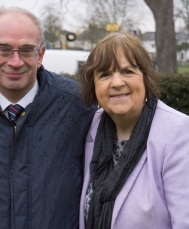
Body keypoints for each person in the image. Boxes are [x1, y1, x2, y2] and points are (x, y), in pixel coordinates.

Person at [0, 7, 96, 229]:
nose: (16, 61)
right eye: (4, 49)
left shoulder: (79, 106)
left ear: (40, 55)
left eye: (27, 50)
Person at [78, 31, 189, 229]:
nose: (117, 82)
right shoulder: (92, 125)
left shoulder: (178, 132)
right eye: (105, 74)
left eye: (128, 71)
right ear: (93, 85)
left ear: (145, 77)